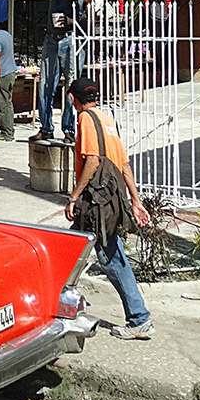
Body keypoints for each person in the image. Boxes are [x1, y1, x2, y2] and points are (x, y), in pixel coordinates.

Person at [63, 77, 154, 340]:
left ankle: (139, 318)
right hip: (112, 198)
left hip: (97, 202)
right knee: (75, 246)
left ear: (72, 99)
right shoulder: (107, 119)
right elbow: (124, 165)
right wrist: (136, 201)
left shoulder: (85, 119)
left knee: (110, 257)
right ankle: (61, 302)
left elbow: (92, 161)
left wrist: (73, 196)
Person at [28, 0, 97, 144]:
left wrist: (70, 20)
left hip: (71, 40)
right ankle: (46, 128)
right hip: (51, 39)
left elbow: (90, 23)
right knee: (45, 85)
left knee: (71, 86)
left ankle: (68, 129)